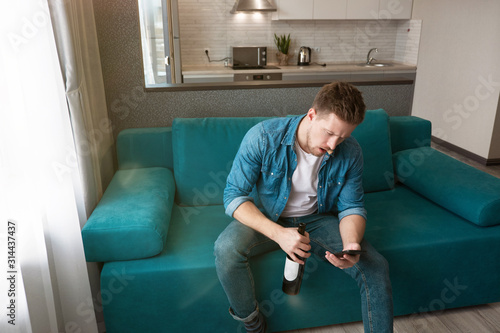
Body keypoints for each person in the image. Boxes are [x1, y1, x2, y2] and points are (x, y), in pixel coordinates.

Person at [214, 81, 393, 333]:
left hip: (317, 219)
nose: (333, 145)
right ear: (311, 115)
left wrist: (351, 245)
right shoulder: (263, 137)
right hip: (269, 217)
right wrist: (279, 234)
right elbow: (233, 196)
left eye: (342, 137)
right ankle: (251, 322)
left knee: (375, 267)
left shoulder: (351, 152)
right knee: (225, 249)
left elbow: (352, 206)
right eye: (329, 133)